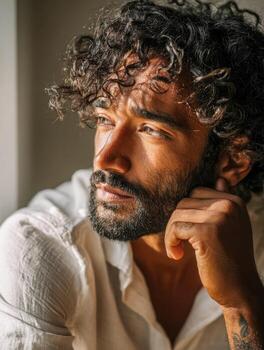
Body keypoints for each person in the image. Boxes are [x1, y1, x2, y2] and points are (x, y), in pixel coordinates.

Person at [0, 0, 264, 348]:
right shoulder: (39, 246)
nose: (107, 158)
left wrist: (240, 303)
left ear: (232, 160)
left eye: (151, 130)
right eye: (105, 120)